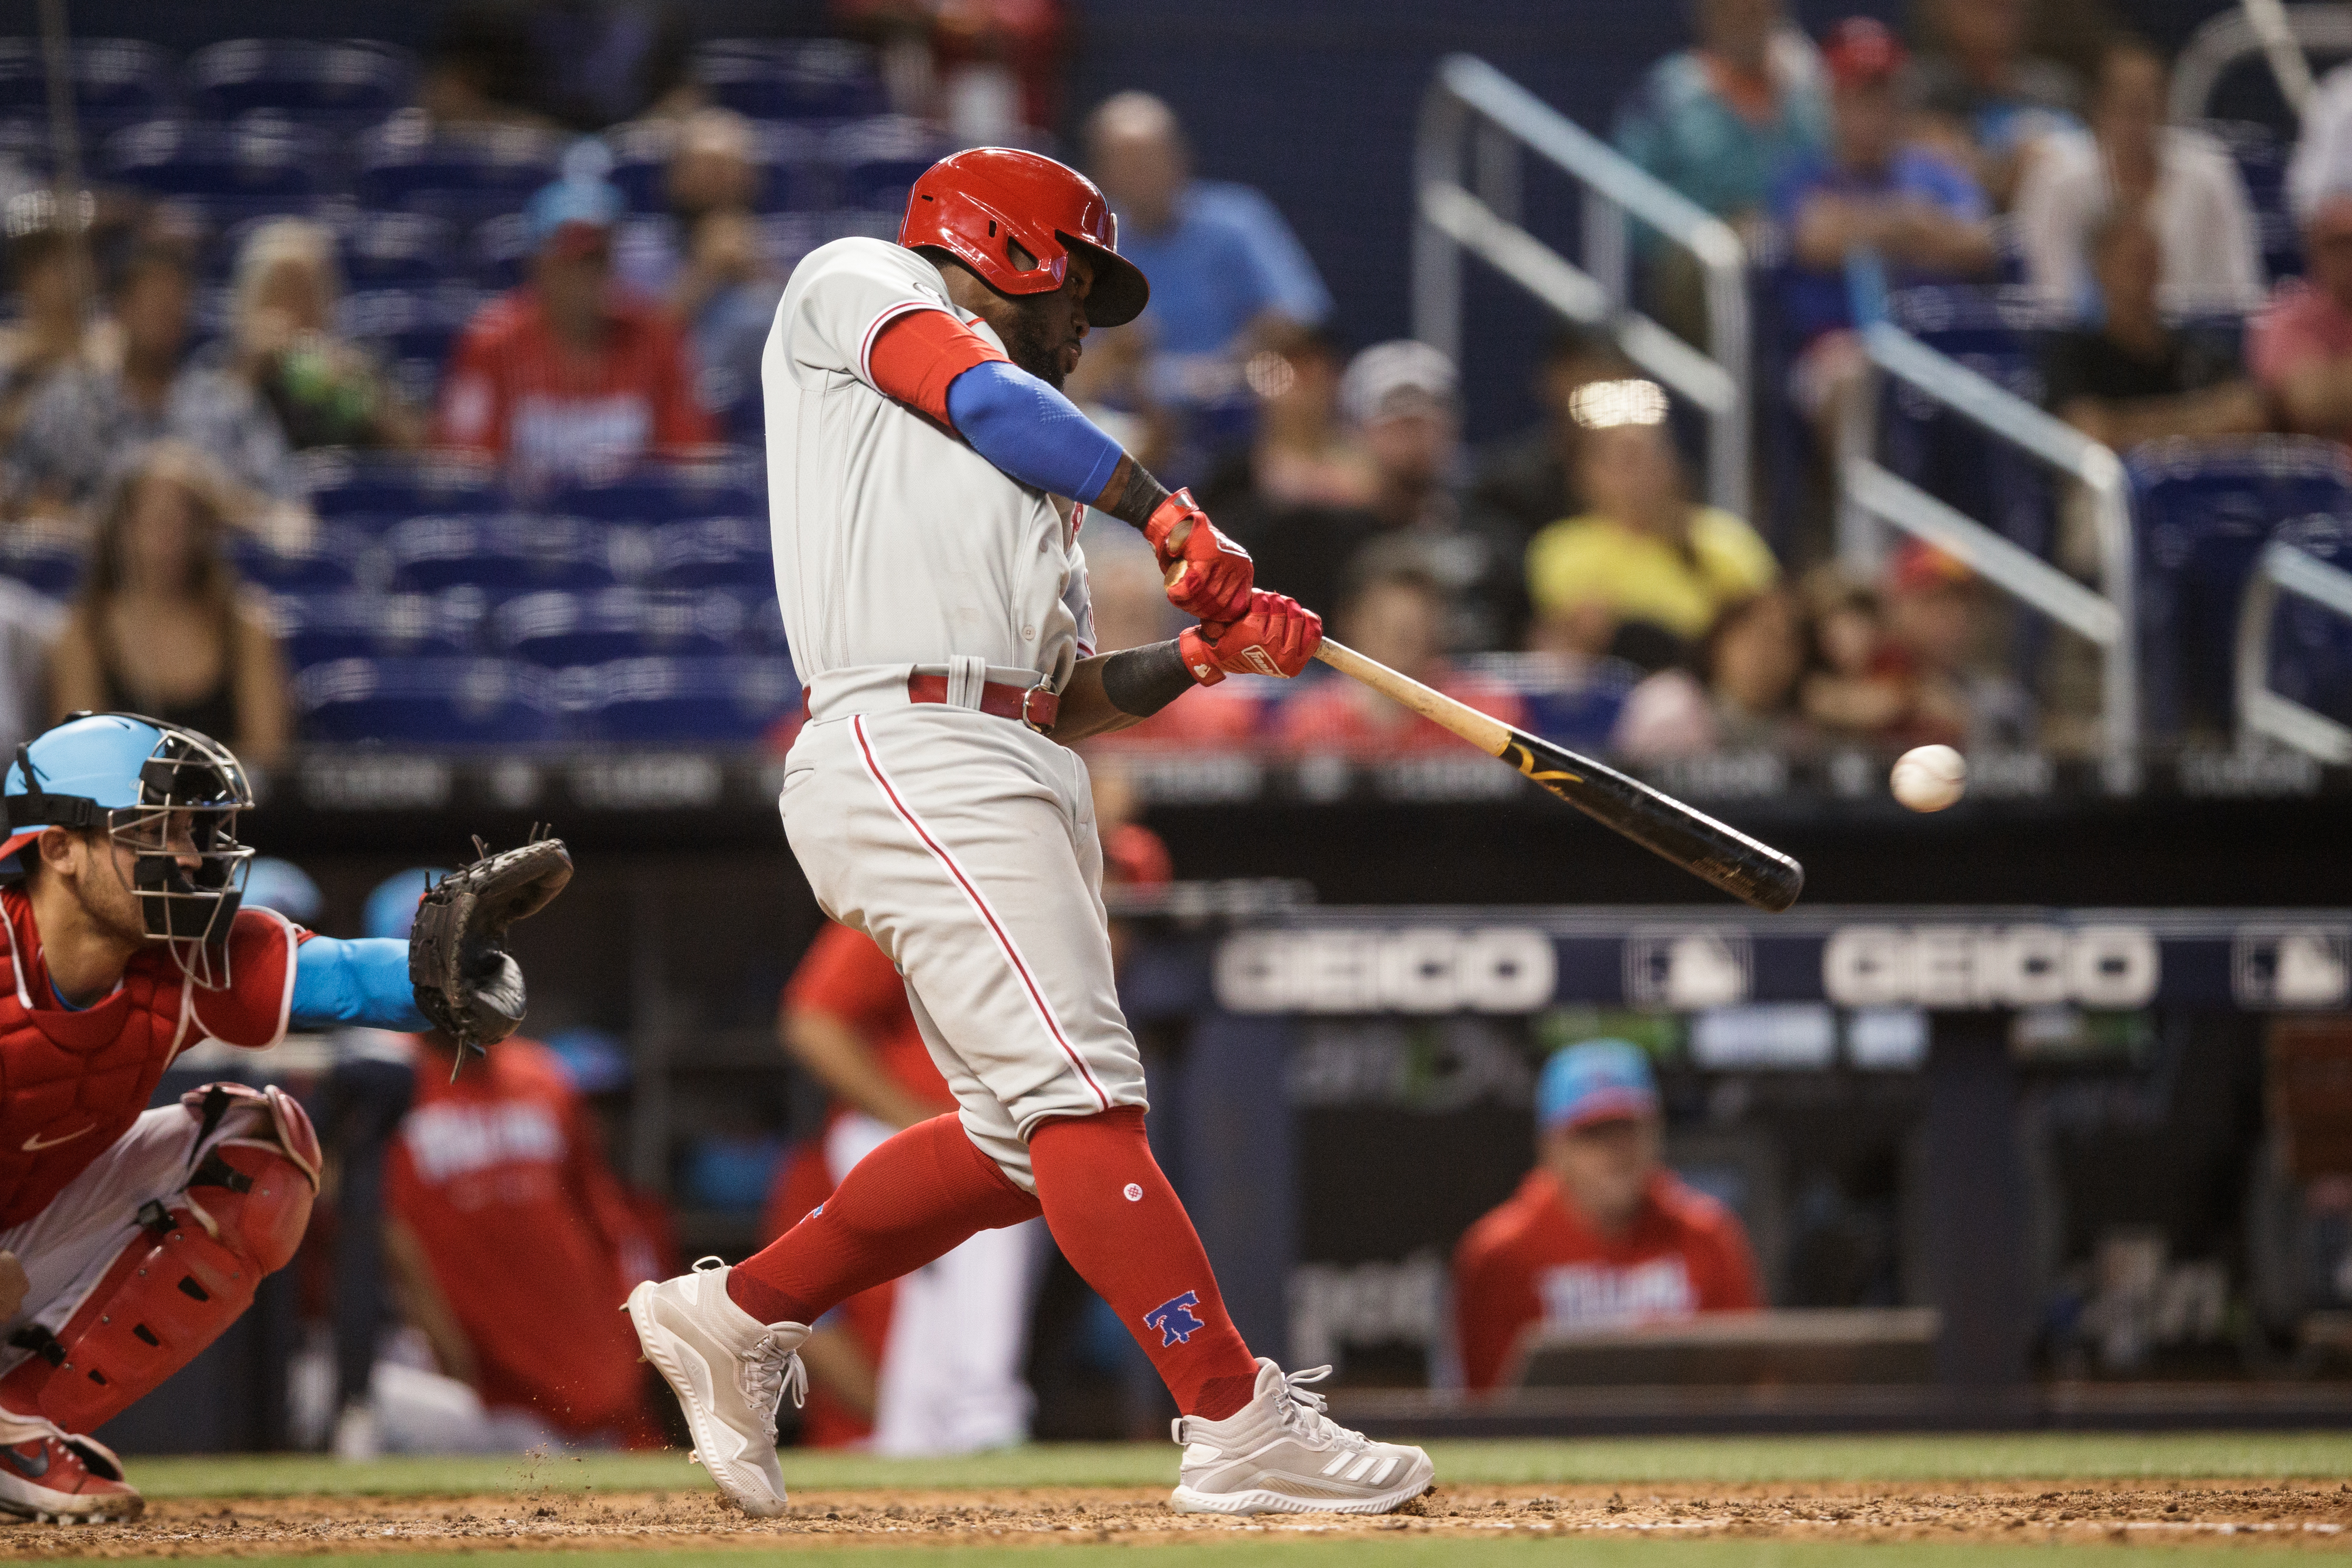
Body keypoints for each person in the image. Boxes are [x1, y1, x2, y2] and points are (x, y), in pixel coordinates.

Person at [624, 146, 1432, 1518]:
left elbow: (1058, 699)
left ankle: (739, 1317)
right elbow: (984, 392)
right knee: (1081, 1097)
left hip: (999, 750)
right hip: (911, 740)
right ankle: (1233, 1415)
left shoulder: (1030, 491)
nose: (1085, 325)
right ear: (1008, 249)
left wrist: (1200, 659)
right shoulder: (857, 284)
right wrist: (1167, 508)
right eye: (1080, 289)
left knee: (1017, 1134)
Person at [0, 712, 550, 1519]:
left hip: (17, 1245)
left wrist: (448, 965)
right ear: (59, 847)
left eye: (189, 830)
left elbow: (337, 975)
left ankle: (17, 1426)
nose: (186, 856)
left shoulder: (180, 956)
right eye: (155, 829)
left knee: (266, 1142)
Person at [370, 871, 661, 1451]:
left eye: (476, 946)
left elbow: (601, 1224)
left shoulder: (542, 1075)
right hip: (467, 1397)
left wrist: (631, 1343)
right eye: (439, 952)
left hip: (590, 1377)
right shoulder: (380, 1086)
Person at [764, 920, 1044, 1456]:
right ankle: (984, 1418)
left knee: (937, 1302)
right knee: (989, 1197)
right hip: (895, 1127)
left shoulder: (1118, 866)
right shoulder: (923, 887)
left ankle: (920, 1434)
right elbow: (811, 1022)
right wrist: (920, 1122)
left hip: (998, 1128)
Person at [1452, 1041, 1760, 1393]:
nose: (1614, 1153)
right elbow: (1488, 1405)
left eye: (1626, 1130)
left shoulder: (1708, 1234)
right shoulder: (1500, 1252)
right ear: (1552, 1147)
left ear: (1655, 1135)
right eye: (1592, 1135)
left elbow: (1746, 1384)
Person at [1083, 92, 1333, 474]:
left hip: (1237, 401)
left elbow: (1302, 315)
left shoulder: (1237, 219)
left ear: (1179, 158)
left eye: (1149, 159)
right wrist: (1122, 353)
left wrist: (1235, 355)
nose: (1140, 176)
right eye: (1125, 163)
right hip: (1129, 419)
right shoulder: (1091, 245)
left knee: (1300, 377)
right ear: (1102, 172)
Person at [1773, 19, 1996, 437]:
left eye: (1885, 94)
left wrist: (1865, 226)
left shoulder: (1935, 170)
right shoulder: (1804, 174)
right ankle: (1855, 504)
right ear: (1835, 101)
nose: (1876, 111)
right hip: (1840, 343)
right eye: (1862, 96)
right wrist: (1910, 222)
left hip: (1938, 337)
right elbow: (1815, 237)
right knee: (1853, 380)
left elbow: (1979, 243)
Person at [438, 166, 714, 487]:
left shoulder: (656, 340)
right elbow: (466, 471)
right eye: (569, 255)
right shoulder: (492, 344)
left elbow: (690, 469)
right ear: (538, 260)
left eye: (596, 257)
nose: (584, 274)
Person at [46, 444, 293, 772]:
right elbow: (77, 762)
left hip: (230, 818)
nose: (175, 538)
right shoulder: (85, 634)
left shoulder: (246, 628)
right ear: (123, 531)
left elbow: (268, 761)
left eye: (189, 522)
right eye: (160, 521)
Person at [11, 240, 300, 514]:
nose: (162, 312)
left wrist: (223, 503)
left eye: (174, 299)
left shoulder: (229, 404)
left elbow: (288, 513)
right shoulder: (70, 401)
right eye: (150, 298)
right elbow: (16, 499)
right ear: (120, 308)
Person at [1524, 378, 1779, 667]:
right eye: (1626, 458)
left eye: (1652, 455)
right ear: (1589, 473)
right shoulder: (1561, 549)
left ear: (1671, 463)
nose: (1641, 472)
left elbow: (1769, 626)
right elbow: (1577, 643)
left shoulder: (1728, 542)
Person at [2012, 39, 2262, 322]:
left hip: (2191, 346)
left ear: (2165, 107)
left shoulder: (2209, 171)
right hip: (2090, 345)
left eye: (2146, 106)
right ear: (2099, 108)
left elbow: (2239, 290)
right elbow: (2050, 293)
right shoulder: (2056, 176)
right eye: (2123, 106)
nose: (2135, 122)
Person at [614, 109, 785, 441]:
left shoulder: (787, 252)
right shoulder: (637, 253)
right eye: (703, 167)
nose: (715, 182)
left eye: (726, 169)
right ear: (676, 177)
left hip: (768, 422)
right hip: (665, 412)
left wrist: (757, 271)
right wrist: (703, 274)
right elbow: (630, 351)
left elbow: (807, 336)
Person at [2039, 204, 2266, 450]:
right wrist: (2203, 419)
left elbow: (2247, 413)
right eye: (2129, 260)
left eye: (2148, 257)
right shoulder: (2073, 355)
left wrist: (2126, 426)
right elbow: (2090, 435)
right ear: (2098, 267)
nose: (2142, 270)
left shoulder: (2196, 353)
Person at [1614, 0, 1829, 235]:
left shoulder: (1814, 82)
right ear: (1705, 12)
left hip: (1805, 257)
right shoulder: (1670, 94)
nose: (1744, 13)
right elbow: (1624, 206)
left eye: (1756, 9)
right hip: (1704, 259)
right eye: (1729, 7)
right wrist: (1711, 231)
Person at [1273, 556, 1526, 756]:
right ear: (1350, 621)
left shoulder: (1484, 713)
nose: (1400, 640)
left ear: (1439, 626)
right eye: (1384, 624)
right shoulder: (1311, 717)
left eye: (1414, 624)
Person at [228, 218, 423, 452]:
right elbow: (205, 445)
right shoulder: (218, 370)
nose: (292, 309)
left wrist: (362, 394)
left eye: (304, 292)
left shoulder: (359, 369)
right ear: (250, 304)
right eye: (280, 291)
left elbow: (414, 454)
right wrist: (248, 374)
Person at [1469, 323, 1635, 555]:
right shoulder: (1508, 487)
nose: (1603, 394)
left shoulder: (1658, 482)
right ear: (1552, 381)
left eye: (1614, 379)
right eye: (1587, 377)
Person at [1903, 0, 2082, 209]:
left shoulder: (2055, 90)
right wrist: (2010, 171)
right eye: (1982, 5)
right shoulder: (1919, 88)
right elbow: (1925, 166)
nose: (1997, 11)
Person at [2253, 167, 2352, 447]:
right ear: (2314, 249)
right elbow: (2306, 401)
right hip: (2326, 480)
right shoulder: (2287, 315)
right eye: (2335, 246)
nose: (2347, 258)